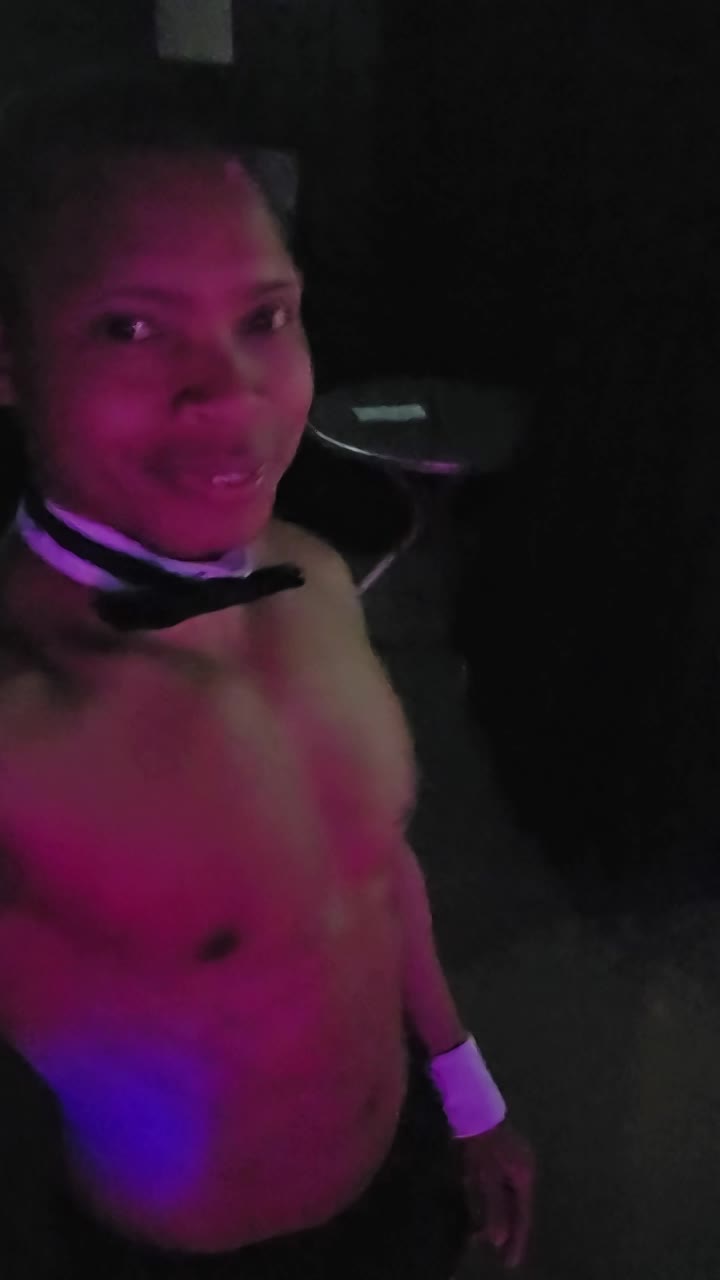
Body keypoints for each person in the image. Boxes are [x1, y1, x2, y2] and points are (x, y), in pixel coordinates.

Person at [0, 65, 534, 1278]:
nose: (231, 393)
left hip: (403, 1169)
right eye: (132, 326)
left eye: (264, 317)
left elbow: (374, 865)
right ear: (11, 358)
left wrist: (469, 1096)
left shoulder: (312, 572)